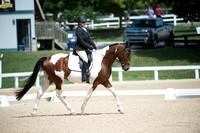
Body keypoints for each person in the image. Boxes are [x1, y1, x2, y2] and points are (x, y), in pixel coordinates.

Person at [74, 15, 97, 82]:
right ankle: (83, 75)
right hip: (80, 48)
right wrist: (89, 47)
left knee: (91, 58)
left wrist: (94, 46)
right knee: (85, 59)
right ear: (79, 23)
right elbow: (81, 41)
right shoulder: (78, 30)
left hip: (85, 48)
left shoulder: (85, 29)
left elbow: (89, 39)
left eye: (85, 22)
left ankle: (88, 72)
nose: (84, 23)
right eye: (83, 22)